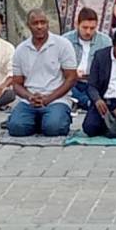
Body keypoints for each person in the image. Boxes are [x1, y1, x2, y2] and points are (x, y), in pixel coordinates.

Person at [7, 9, 78, 137]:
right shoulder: (21, 49)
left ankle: (48, 119)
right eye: (35, 23)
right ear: (28, 25)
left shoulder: (63, 45)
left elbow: (71, 78)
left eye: (43, 22)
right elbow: (16, 84)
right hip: (29, 101)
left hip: (57, 99)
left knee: (53, 128)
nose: (39, 27)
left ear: (48, 24)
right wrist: (29, 97)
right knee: (16, 128)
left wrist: (48, 98)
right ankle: (35, 119)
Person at [63, 7, 112, 110]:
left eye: (92, 28)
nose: (88, 32)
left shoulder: (105, 41)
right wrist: (73, 73)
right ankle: (87, 103)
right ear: (77, 24)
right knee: (63, 84)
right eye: (85, 27)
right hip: (72, 81)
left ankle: (79, 102)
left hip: (93, 83)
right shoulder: (65, 40)